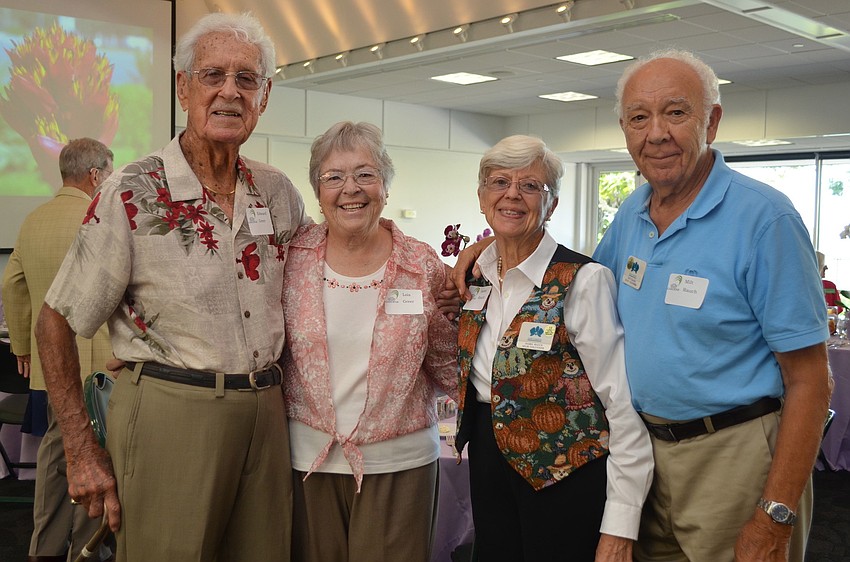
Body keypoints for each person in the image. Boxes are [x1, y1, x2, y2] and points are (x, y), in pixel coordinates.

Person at [34, 13, 307, 561]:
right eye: (213, 75)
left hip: (267, 413)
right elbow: (56, 320)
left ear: (266, 95)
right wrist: (81, 448)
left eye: (247, 79)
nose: (230, 91)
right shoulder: (132, 191)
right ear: (183, 87)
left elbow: (327, 270)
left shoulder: (278, 193)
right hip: (171, 412)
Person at [591, 50, 831, 561]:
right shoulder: (630, 214)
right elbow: (574, 291)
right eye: (639, 118)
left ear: (712, 121)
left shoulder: (765, 220)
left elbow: (811, 380)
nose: (656, 133)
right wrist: (495, 250)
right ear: (625, 130)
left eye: (676, 113)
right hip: (644, 458)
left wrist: (775, 515)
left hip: (735, 456)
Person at [452, 134, 653, 561]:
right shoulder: (478, 275)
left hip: (565, 473)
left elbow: (619, 404)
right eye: (499, 182)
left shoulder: (583, 280)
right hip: (488, 459)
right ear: (482, 196)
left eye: (530, 186)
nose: (512, 194)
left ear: (553, 204)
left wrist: (621, 523)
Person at [281, 121, 459, 562]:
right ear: (317, 192)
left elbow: (446, 360)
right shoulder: (290, 258)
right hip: (308, 461)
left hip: (400, 463)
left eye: (365, 174)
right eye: (334, 177)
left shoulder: (421, 265)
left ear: (386, 186)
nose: (350, 189)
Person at [2, 138, 115, 562]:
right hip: (100, 362)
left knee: (55, 449)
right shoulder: (99, 216)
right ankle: (85, 549)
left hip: (50, 363)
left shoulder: (33, 220)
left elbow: (12, 284)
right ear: (95, 175)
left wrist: (22, 344)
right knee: (97, 451)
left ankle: (43, 547)